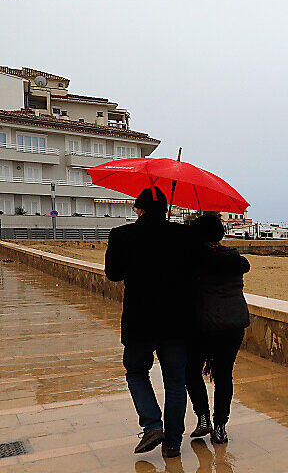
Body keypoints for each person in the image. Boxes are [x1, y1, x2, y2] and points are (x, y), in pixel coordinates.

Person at [105, 187, 199, 459]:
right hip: (176, 322)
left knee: (136, 372)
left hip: (139, 321)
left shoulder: (121, 234)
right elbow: (195, 273)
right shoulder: (184, 235)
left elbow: (113, 274)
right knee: (175, 381)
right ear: (164, 209)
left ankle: (151, 425)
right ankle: (172, 443)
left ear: (140, 209)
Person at [185, 213, 251, 444]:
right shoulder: (235, 259)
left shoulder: (193, 260)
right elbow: (244, 265)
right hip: (233, 326)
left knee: (191, 372)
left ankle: (203, 417)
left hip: (202, 327)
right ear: (220, 234)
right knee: (224, 375)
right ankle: (220, 426)